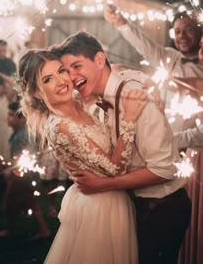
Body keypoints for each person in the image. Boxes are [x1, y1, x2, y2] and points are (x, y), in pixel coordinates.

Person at [51, 31, 191, 264]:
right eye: (67, 71)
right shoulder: (101, 97)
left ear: (98, 60)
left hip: (161, 209)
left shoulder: (136, 98)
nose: (72, 77)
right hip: (134, 206)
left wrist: (103, 185)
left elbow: (165, 169)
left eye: (77, 66)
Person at [18, 49, 149, 264]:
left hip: (113, 198)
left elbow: (113, 70)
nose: (61, 81)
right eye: (48, 79)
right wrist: (130, 118)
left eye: (61, 71)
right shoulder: (60, 126)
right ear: (36, 93)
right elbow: (115, 169)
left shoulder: (80, 100)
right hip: (100, 207)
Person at [0, 101, 50, 239]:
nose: (8, 118)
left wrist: (12, 172)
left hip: (22, 175)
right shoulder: (20, 132)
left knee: (10, 203)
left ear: (22, 118)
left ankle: (10, 229)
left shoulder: (23, 135)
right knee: (30, 201)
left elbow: (26, 156)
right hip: (23, 174)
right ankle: (43, 230)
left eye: (11, 115)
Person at [104, 5, 203, 77]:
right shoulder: (170, 56)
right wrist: (120, 21)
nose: (182, 36)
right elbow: (144, 45)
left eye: (189, 29)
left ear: (200, 32)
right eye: (177, 31)